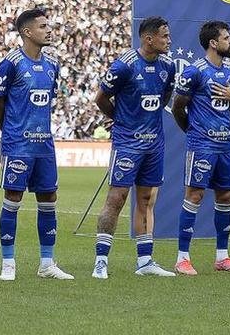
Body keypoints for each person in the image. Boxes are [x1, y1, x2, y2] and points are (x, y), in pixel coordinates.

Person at [91, 16, 177, 279]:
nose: (169, 40)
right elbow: (101, 98)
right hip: (127, 143)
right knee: (116, 199)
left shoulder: (168, 66)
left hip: (154, 143)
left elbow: (164, 97)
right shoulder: (124, 65)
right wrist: (120, 119)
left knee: (147, 200)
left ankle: (145, 261)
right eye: (164, 35)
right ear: (149, 39)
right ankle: (101, 261)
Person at [0, 8, 73, 281]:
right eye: (43, 26)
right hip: (18, 144)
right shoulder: (11, 63)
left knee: (49, 198)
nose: (49, 30)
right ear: (27, 32)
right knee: (13, 198)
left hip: (44, 145)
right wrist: (10, 131)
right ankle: (8, 264)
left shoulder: (53, 65)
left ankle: (47, 264)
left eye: (48, 25)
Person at [171, 20, 230, 275]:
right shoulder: (195, 72)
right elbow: (178, 107)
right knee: (194, 196)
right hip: (201, 145)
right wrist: (193, 132)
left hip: (225, 146)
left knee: (226, 197)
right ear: (213, 43)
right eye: (226, 38)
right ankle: (182, 258)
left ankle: (222, 257)